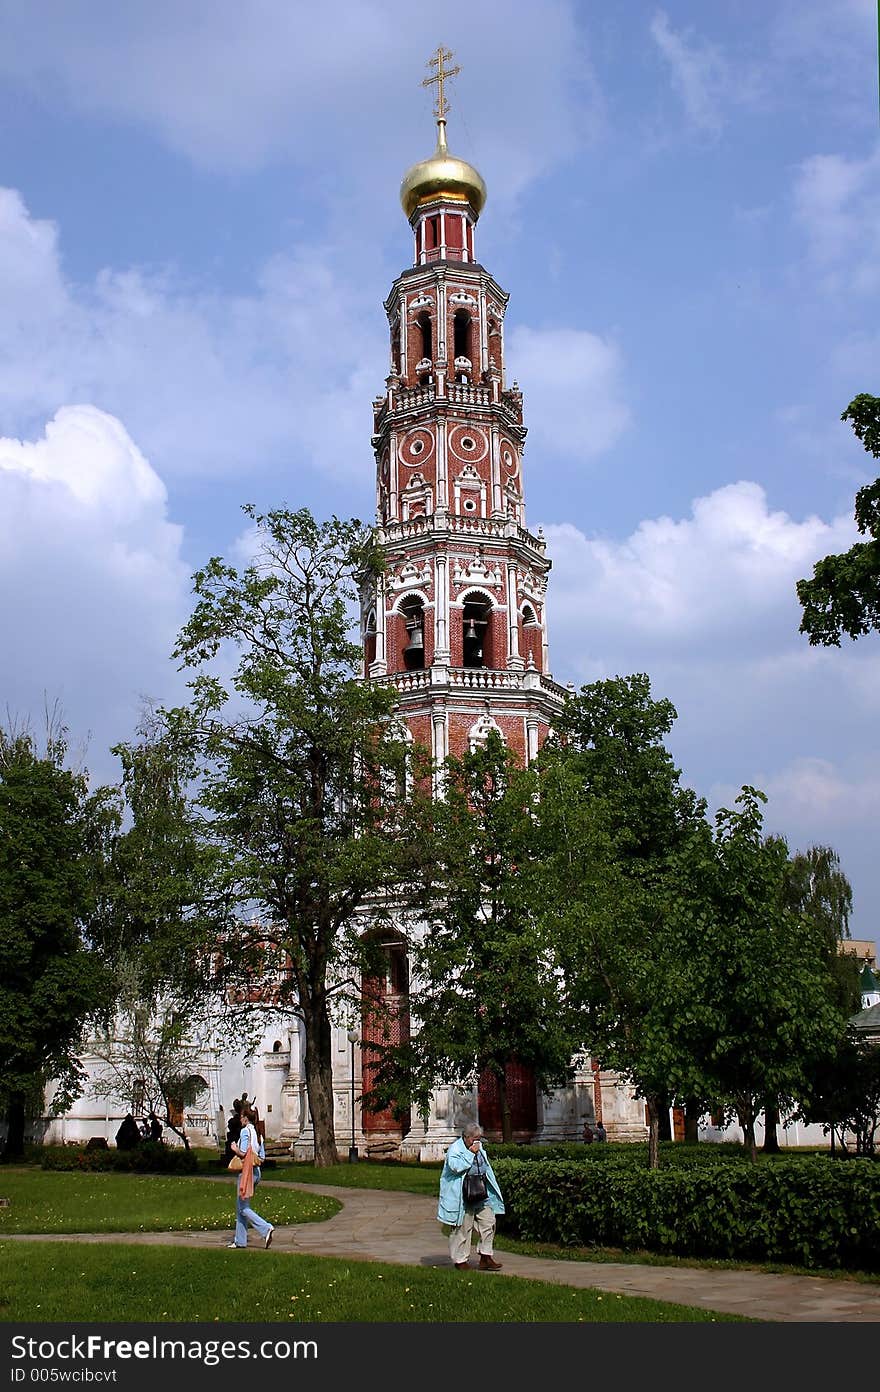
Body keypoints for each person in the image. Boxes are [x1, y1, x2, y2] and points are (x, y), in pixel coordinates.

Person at [437, 1121, 505, 1272]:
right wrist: (470, 1153)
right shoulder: (455, 1149)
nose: (477, 1141)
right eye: (474, 1138)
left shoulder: (479, 1148)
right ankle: (460, 1261)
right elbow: (455, 1167)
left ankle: (486, 1256)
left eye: (479, 1138)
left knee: (489, 1222)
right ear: (466, 1137)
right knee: (462, 1229)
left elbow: (485, 1167)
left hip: (480, 1192)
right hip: (462, 1195)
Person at [227, 1103, 274, 1250]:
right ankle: (240, 1240)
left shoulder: (244, 1132)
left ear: (246, 1118)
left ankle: (265, 1228)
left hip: (246, 1171)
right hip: (256, 1171)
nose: (240, 1119)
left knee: (243, 1207)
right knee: (241, 1205)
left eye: (241, 1117)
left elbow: (243, 1153)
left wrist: (234, 1149)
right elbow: (262, 1156)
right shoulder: (258, 1134)